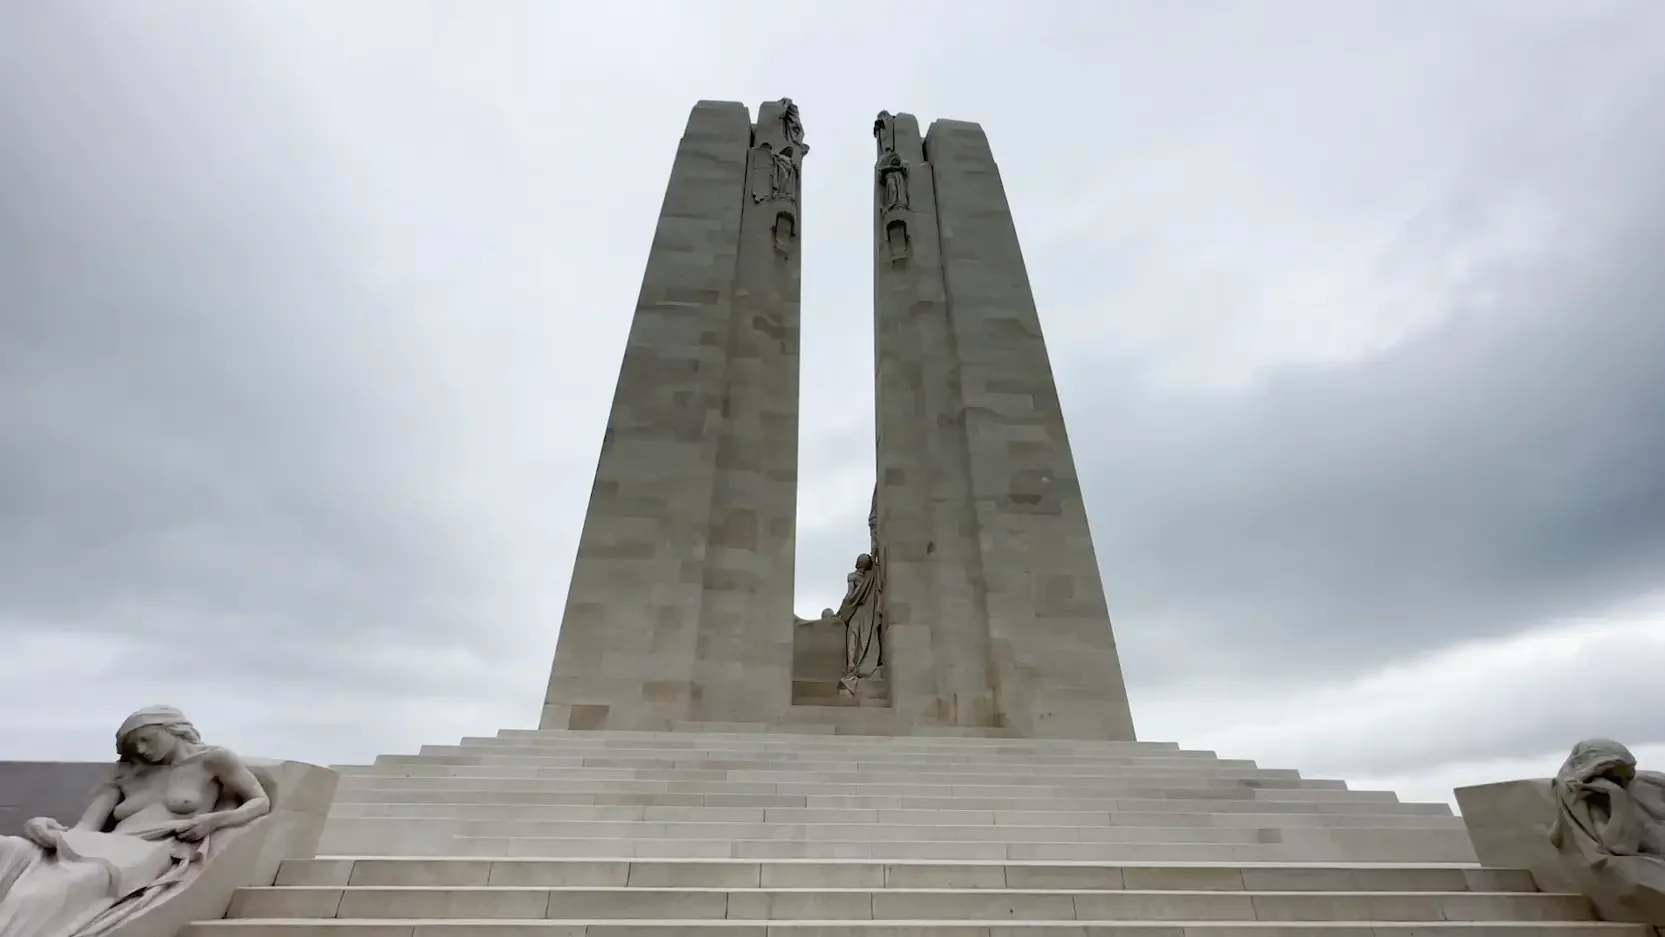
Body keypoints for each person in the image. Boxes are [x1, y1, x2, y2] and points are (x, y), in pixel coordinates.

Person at [0, 705, 270, 937]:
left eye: (147, 739)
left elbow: (260, 802)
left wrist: (214, 820)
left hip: (150, 849)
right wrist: (42, 828)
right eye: (134, 746)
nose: (141, 750)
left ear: (172, 729)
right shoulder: (130, 772)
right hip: (106, 843)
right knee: (9, 848)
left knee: (57, 887)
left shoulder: (213, 760)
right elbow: (85, 828)